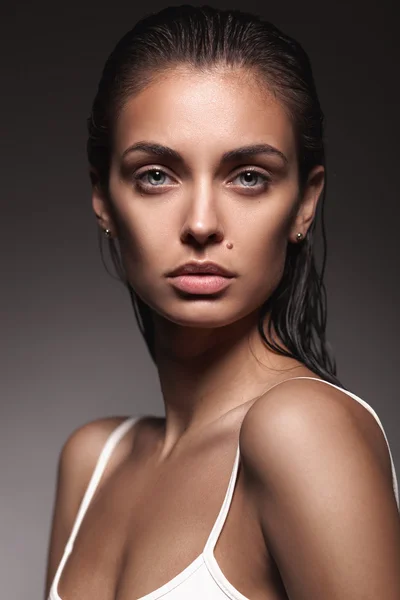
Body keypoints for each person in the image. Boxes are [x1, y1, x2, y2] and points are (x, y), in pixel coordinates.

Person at [44, 5, 400, 600]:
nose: (202, 223)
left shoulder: (303, 431)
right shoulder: (93, 462)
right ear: (103, 198)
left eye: (249, 176)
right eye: (157, 175)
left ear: (305, 203)